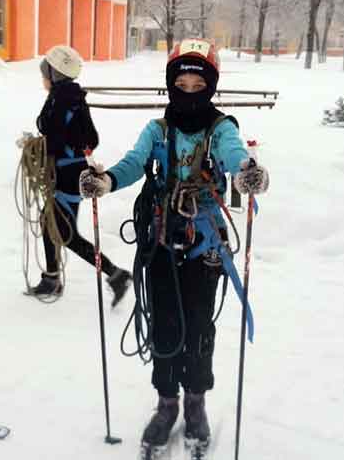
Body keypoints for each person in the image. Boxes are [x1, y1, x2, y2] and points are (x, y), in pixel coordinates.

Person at [78, 39, 270, 455]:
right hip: (162, 242)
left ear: (210, 86)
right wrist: (106, 180)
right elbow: (132, 163)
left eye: (196, 81)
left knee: (200, 327)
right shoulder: (157, 130)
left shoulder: (221, 129)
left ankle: (195, 400)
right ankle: (167, 402)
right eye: (180, 81)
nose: (187, 89)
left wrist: (245, 173)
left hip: (205, 246)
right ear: (170, 84)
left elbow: (234, 154)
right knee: (164, 324)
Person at [28, 44, 131, 305]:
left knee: (64, 234)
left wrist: (37, 147)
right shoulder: (67, 96)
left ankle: (116, 274)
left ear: (55, 74)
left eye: (45, 73)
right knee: (48, 222)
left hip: (68, 176)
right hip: (69, 172)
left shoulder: (63, 100)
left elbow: (56, 136)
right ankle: (51, 278)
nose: (42, 78)